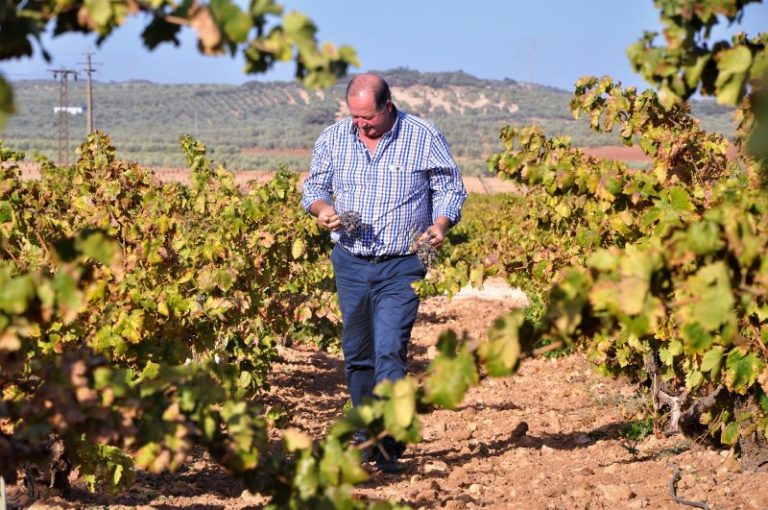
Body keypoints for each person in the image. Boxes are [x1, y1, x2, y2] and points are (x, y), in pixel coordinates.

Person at [301, 73, 467, 473]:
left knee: (390, 349)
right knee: (358, 354)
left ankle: (388, 442)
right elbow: (314, 188)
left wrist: (440, 225)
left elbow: (450, 188)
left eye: (368, 118)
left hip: (402, 262)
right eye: (355, 117)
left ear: (387, 106)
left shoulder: (422, 134)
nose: (361, 125)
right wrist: (323, 211)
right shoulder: (334, 137)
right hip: (352, 261)